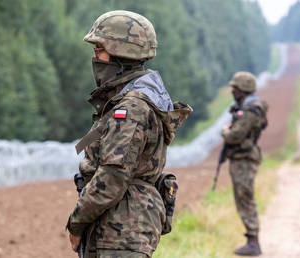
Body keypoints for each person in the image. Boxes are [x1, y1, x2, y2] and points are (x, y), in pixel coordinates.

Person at [66, 10, 192, 258]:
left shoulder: (131, 108)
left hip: (121, 232)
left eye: (99, 50)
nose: (95, 58)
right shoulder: (134, 100)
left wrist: (76, 221)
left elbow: (113, 175)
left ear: (119, 53)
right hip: (121, 228)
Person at [221, 71, 268, 256]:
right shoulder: (248, 106)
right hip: (242, 158)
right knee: (243, 198)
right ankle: (252, 240)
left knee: (245, 199)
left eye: (235, 87)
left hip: (245, 159)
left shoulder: (249, 109)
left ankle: (253, 242)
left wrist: (225, 132)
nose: (233, 90)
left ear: (244, 89)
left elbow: (235, 136)